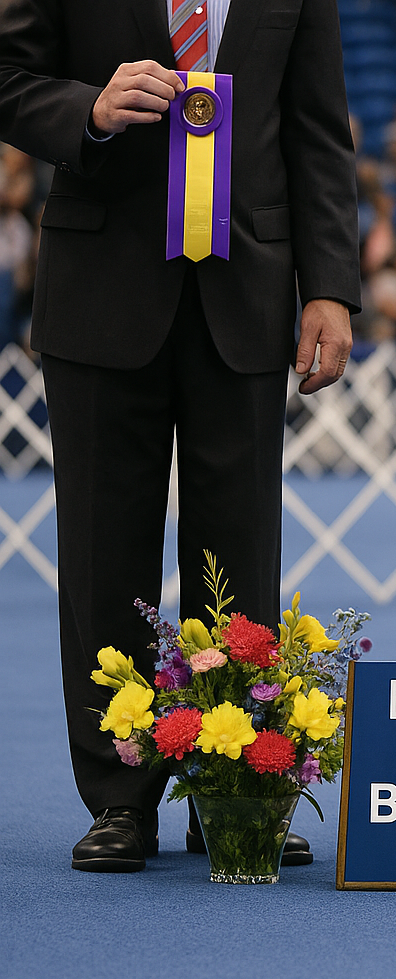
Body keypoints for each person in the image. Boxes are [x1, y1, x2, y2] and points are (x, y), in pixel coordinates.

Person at [0, 0, 360, 871]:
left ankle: (229, 784)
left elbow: (318, 133)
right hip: (99, 293)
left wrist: (332, 288)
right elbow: (9, 81)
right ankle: (119, 800)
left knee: (239, 555)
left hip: (248, 294)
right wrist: (85, 108)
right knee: (99, 555)